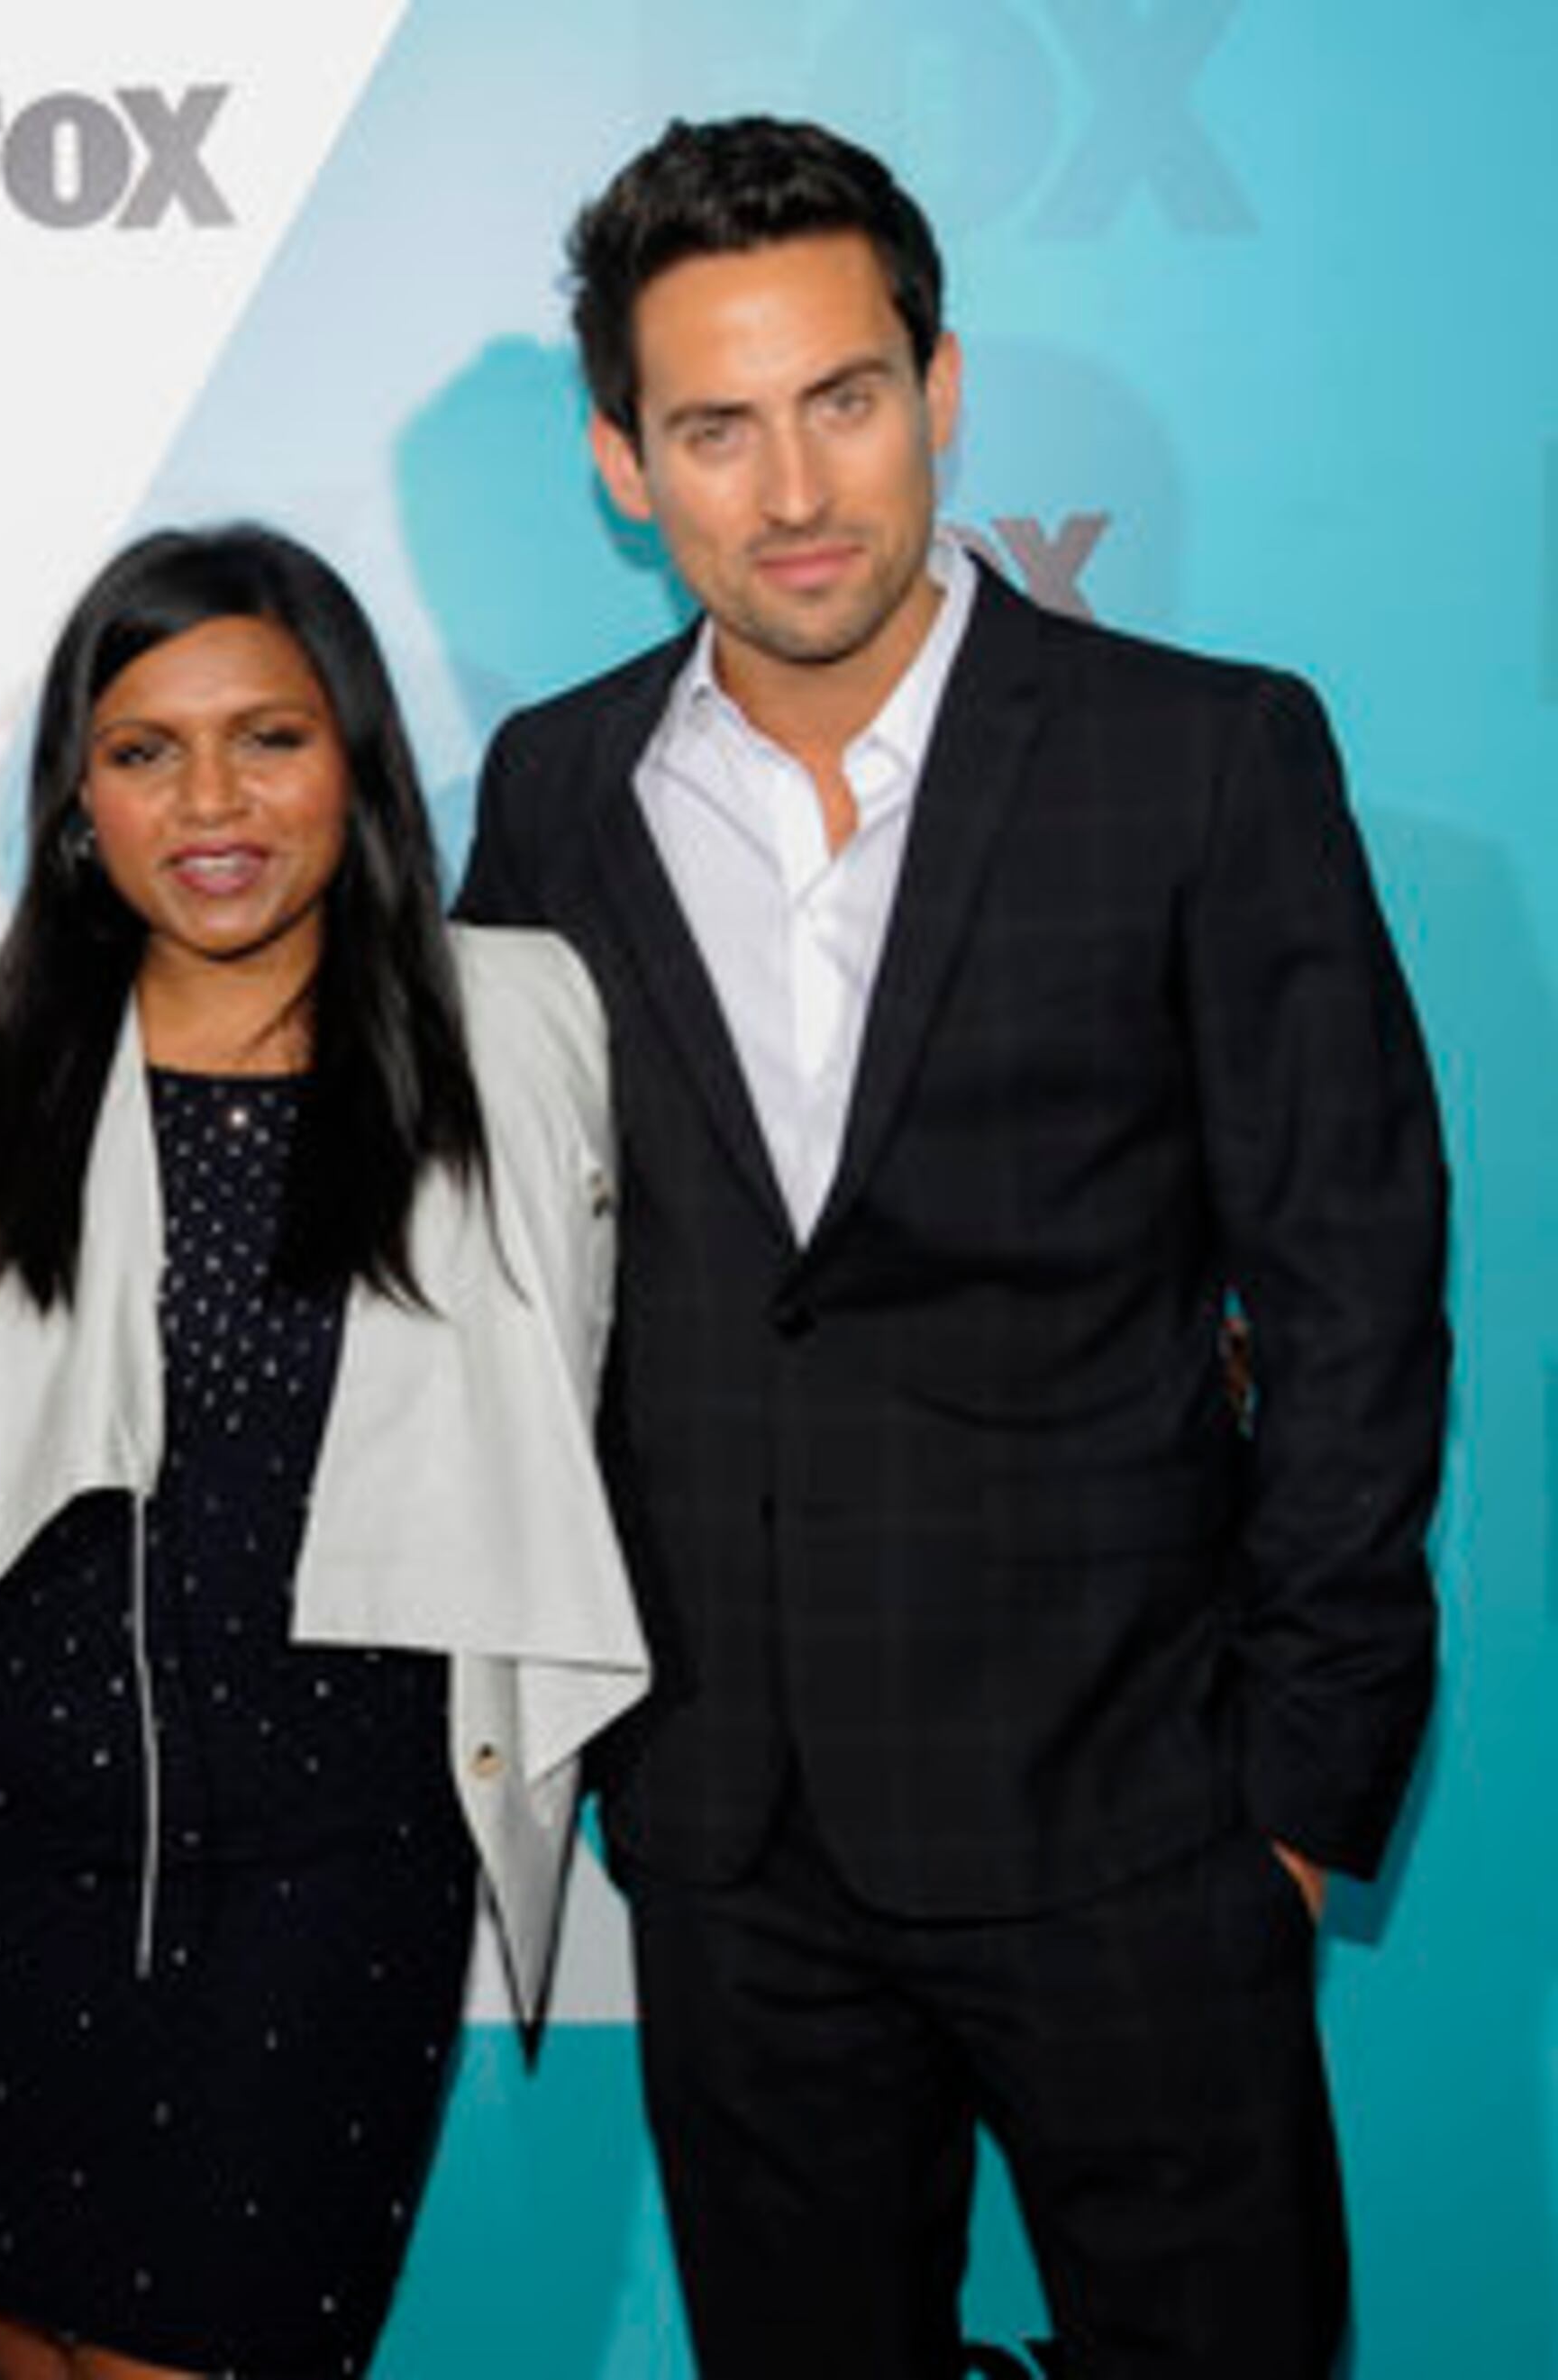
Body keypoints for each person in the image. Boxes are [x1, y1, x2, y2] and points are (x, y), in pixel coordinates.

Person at [456, 117, 1448, 2374]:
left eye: (845, 397)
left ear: (941, 389)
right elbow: (479, 1216)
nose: (795, 487)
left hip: (1139, 1821)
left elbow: (1354, 1288)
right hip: (730, 1836)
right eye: (715, 424)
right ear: (625, 460)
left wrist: (1287, 1799)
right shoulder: (550, 793)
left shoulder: (1202, 759)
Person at [0, 524, 648, 2379]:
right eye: (143, 749)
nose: (211, 799)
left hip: (330, 1869)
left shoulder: (517, 1021)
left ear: (353, 760)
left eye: (268, 738)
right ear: (75, 800)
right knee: (22, 2347)